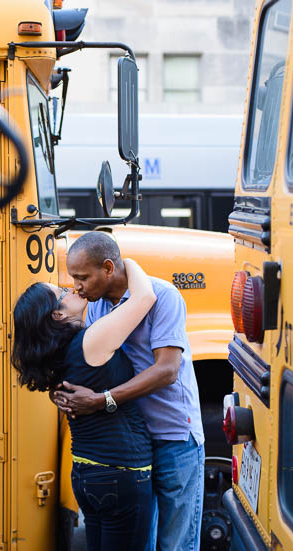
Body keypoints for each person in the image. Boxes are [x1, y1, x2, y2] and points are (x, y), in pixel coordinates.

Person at [53, 231, 205, 551]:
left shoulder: (164, 296)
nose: (77, 285)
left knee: (176, 543)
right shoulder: (96, 308)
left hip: (172, 435)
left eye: (82, 277)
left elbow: (167, 371)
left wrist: (101, 400)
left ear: (108, 268)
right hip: (134, 443)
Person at [11, 258, 156, 551]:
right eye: (62, 293)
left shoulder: (57, 357)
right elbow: (145, 297)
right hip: (121, 472)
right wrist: (123, 261)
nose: (71, 289)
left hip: (87, 475)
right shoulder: (92, 341)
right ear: (58, 316)